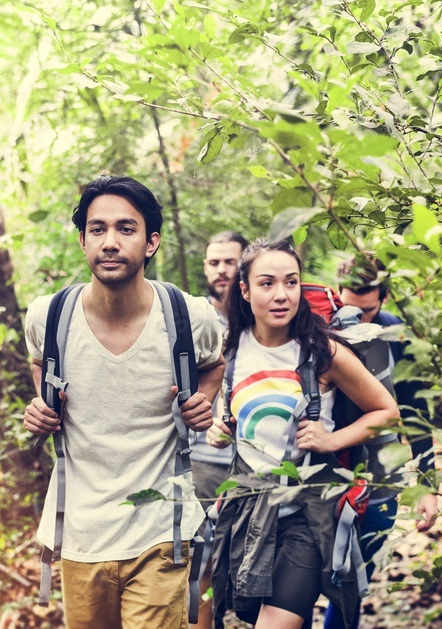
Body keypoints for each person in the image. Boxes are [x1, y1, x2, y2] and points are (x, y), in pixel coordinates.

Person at [22, 176, 225, 629]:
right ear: (82, 240)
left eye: (125, 229)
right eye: (97, 229)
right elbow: (40, 361)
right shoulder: (48, 316)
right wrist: (43, 403)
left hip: (160, 529)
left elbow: (214, 364)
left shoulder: (188, 317)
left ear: (151, 242)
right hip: (80, 534)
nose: (110, 242)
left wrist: (203, 400)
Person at [206, 240, 399, 629]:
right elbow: (231, 414)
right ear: (244, 290)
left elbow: (387, 412)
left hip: (307, 515)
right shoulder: (229, 348)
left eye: (291, 283)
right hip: (247, 508)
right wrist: (218, 428)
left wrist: (332, 440)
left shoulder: (322, 351)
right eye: (267, 284)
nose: (281, 295)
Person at [322, 258, 438, 629]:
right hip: (325, 474)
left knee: (355, 582)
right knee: (302, 586)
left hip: (380, 476)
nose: (358, 321)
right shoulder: (319, 329)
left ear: (384, 298)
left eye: (368, 311)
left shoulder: (397, 337)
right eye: (349, 308)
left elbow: (416, 409)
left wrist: (427, 484)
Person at [190, 230, 248, 629]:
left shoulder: (264, 317)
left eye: (231, 261)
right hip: (203, 465)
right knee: (201, 569)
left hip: (257, 467)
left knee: (251, 572)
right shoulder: (194, 321)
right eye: (214, 262)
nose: (222, 269)